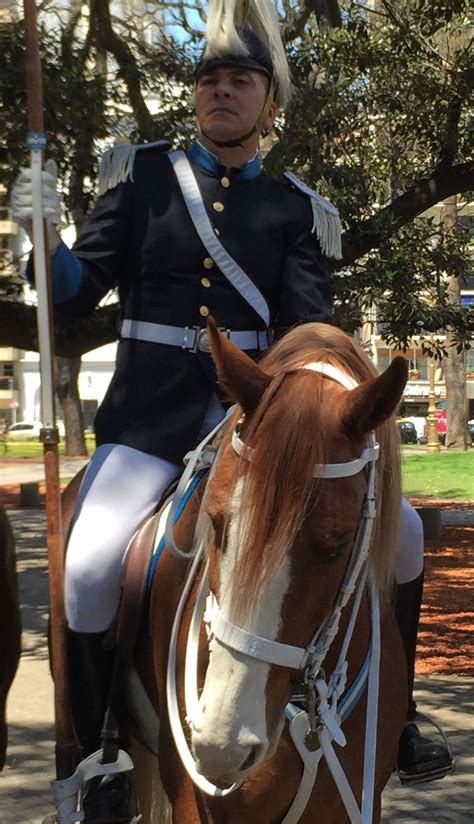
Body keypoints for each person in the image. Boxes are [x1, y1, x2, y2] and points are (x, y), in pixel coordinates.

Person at [11, 1, 451, 818]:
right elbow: (74, 296)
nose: (221, 89)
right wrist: (42, 238)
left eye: (239, 79)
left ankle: (403, 718)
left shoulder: (295, 208)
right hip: (146, 424)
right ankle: (99, 753)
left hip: (248, 426)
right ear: (195, 95)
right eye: (209, 77)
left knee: (409, 536)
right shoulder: (141, 177)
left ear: (267, 103)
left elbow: (306, 330)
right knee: (91, 564)